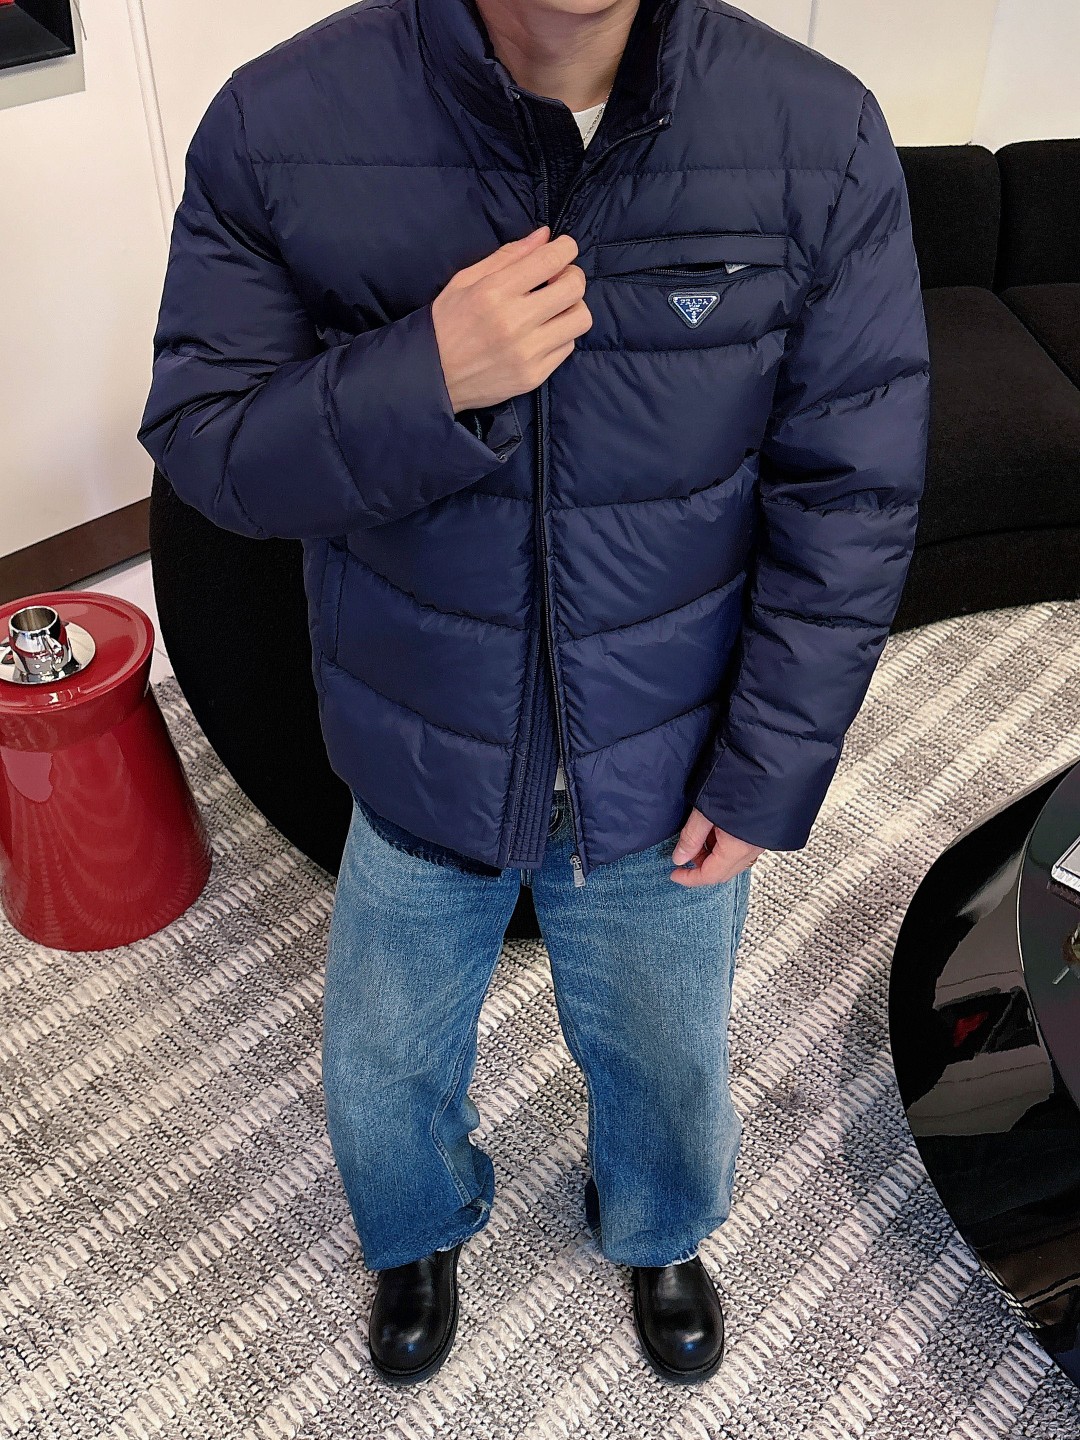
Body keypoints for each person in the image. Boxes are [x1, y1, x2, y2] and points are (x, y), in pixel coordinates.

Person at [138, 0, 930, 1391]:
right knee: (381, 1067)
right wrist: (427, 376)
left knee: (670, 1062)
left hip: (668, 758)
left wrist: (771, 765)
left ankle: (659, 1231)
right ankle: (418, 1231)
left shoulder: (816, 131)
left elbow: (850, 496)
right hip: (417, 740)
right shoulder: (280, 121)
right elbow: (208, 444)